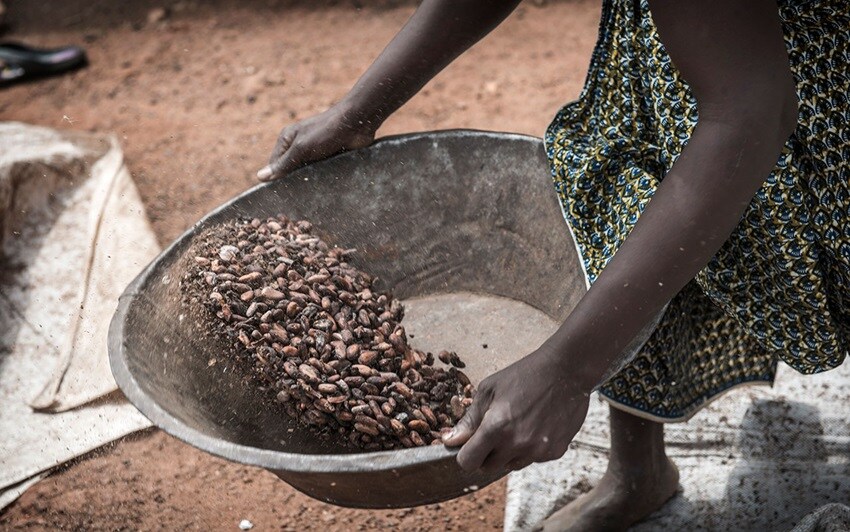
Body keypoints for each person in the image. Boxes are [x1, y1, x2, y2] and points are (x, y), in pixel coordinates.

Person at [257, 0, 849, 529]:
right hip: (679, 50)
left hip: (812, 85)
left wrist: (567, 371)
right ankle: (638, 475)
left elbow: (748, 114)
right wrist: (361, 108)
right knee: (623, 214)